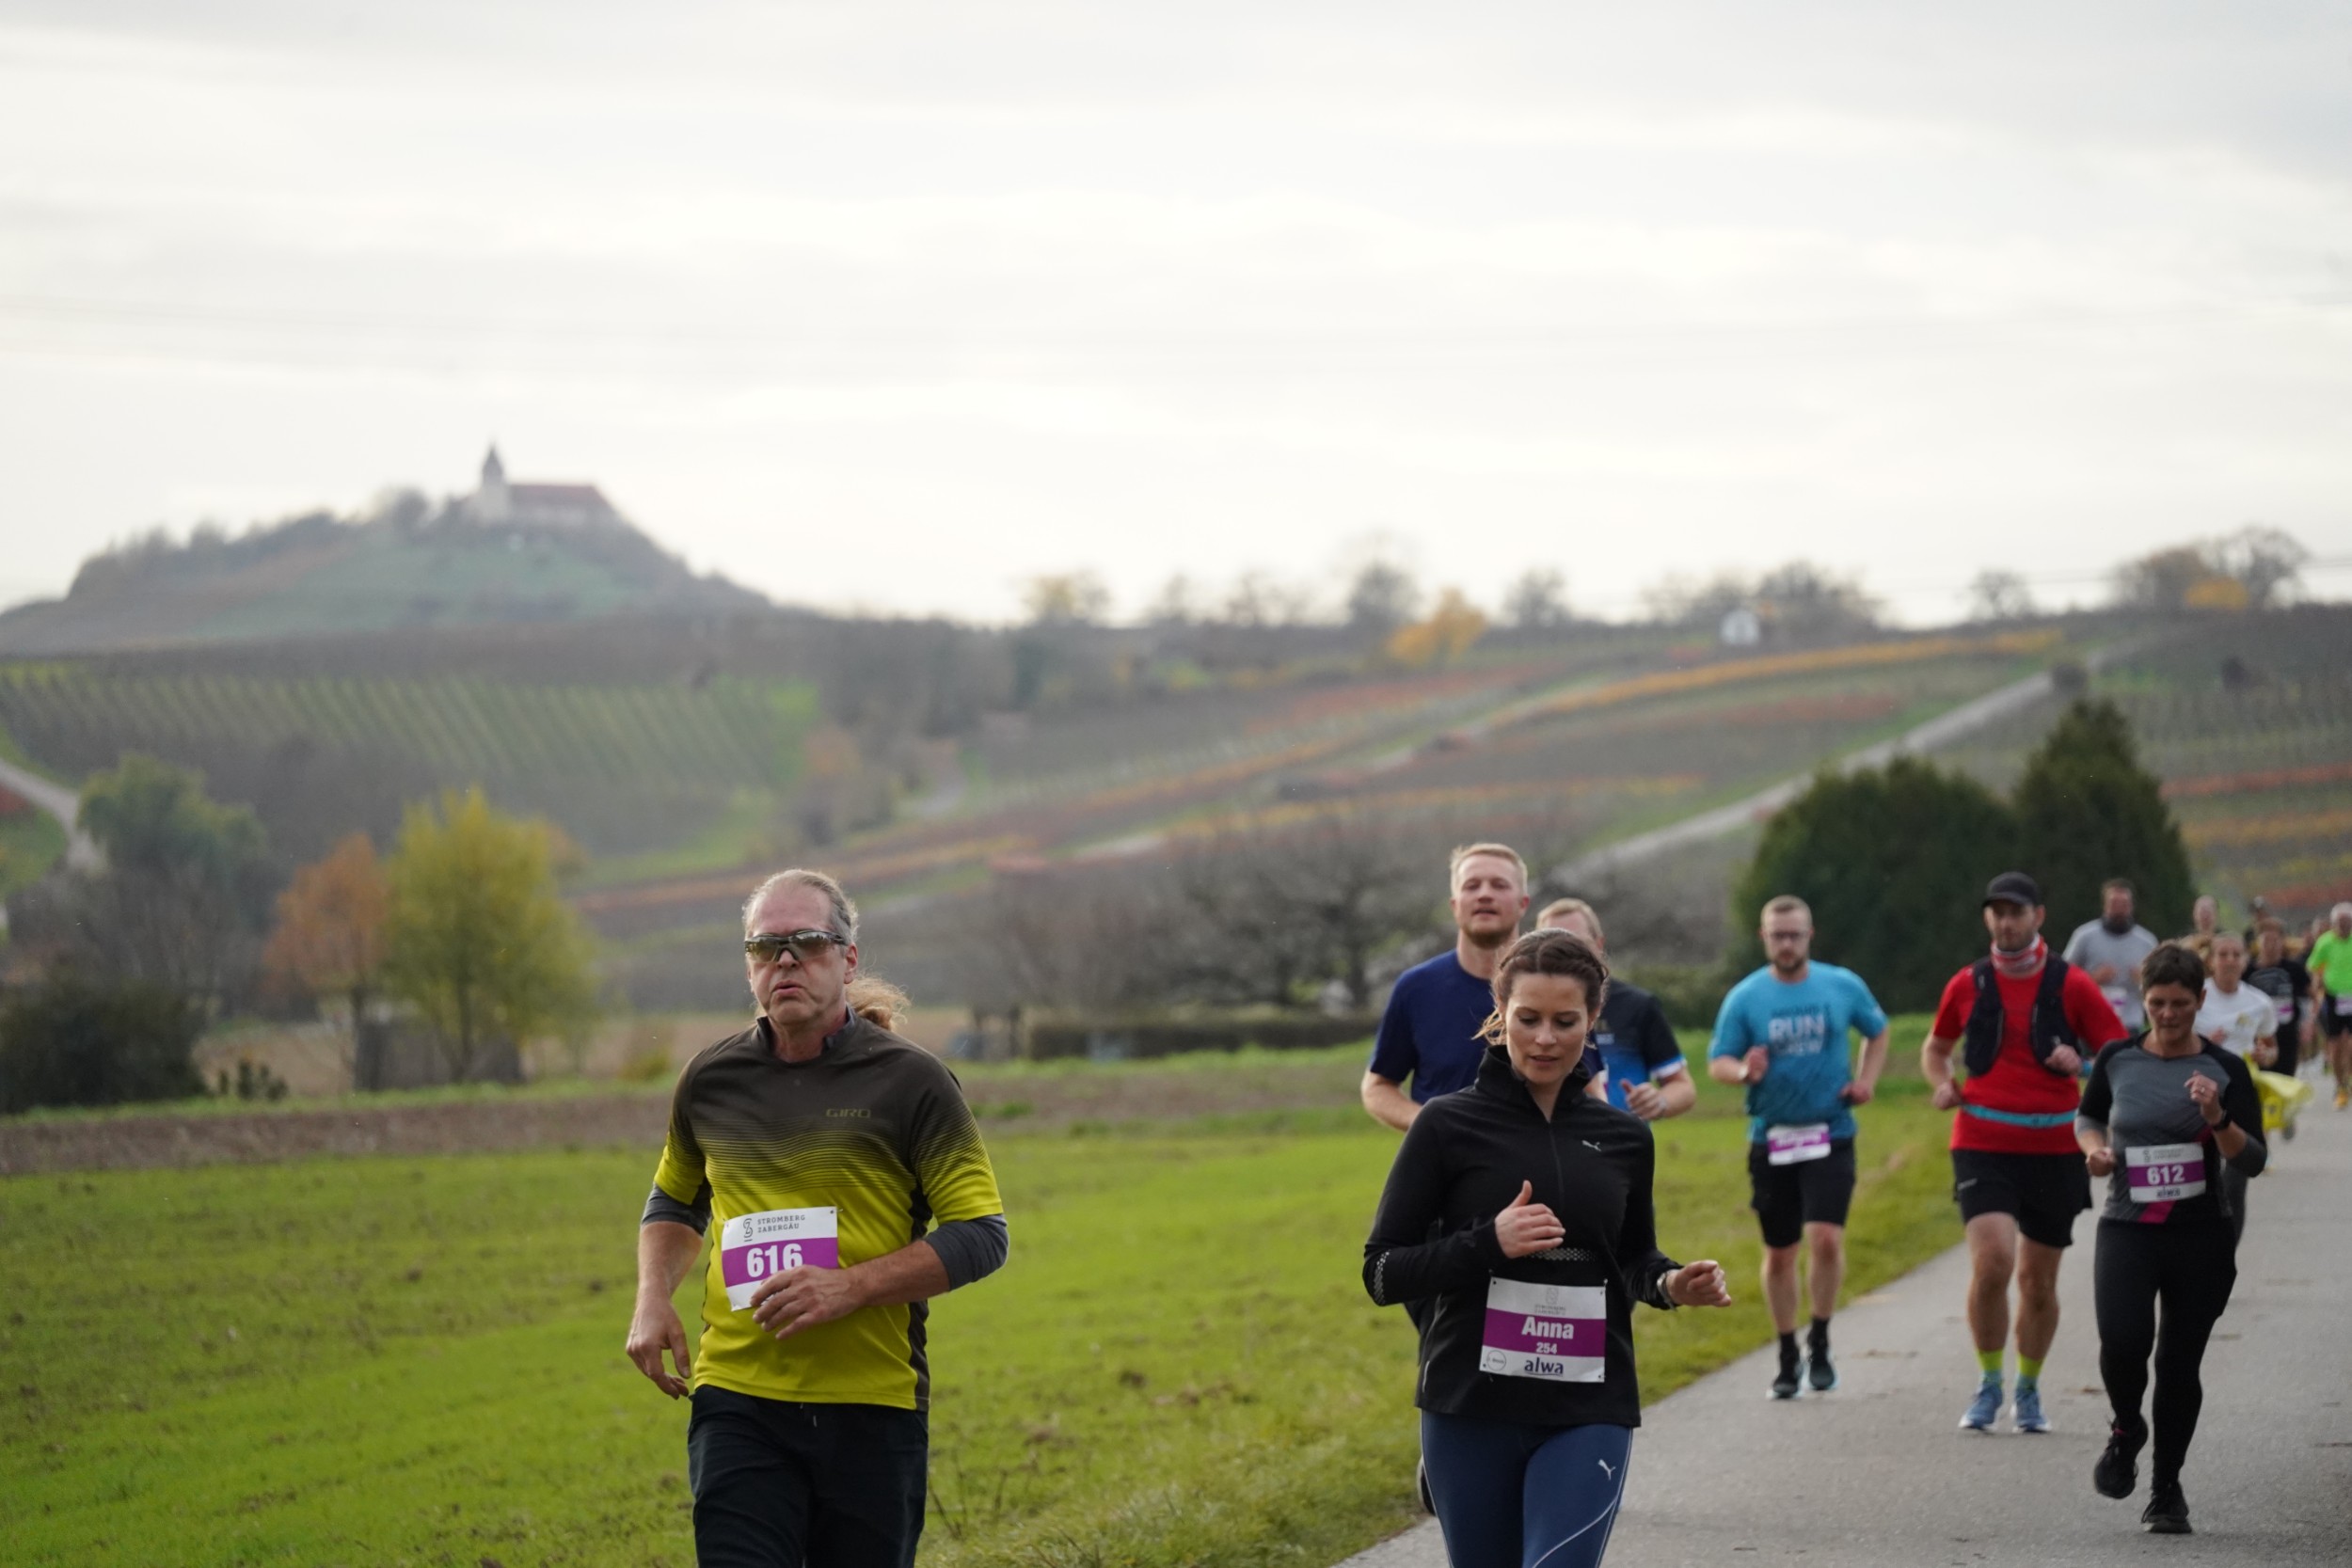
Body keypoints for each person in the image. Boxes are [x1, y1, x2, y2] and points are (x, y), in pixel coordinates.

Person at [626, 869, 1009, 1568]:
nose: (785, 960)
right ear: (748, 965)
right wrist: (652, 1297)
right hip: (737, 1397)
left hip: (871, 1404)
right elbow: (676, 1200)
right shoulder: (710, 1080)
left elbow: (981, 1234)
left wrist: (848, 1286)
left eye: (806, 941)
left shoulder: (912, 1082)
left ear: (848, 958)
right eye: (764, 946)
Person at [1362, 928, 1733, 1568]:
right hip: (1471, 1405)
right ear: (1499, 1012)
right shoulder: (1446, 1125)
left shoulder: (1624, 1137)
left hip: (1587, 1406)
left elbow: (1633, 1258)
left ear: (1593, 1018)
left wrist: (1672, 1284)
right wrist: (1488, 1242)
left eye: (1566, 1022)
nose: (1544, 1039)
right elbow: (1382, 1272)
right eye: (1527, 1018)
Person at [1920, 871, 2125, 1434]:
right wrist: (1942, 1082)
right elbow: (1936, 1049)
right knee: (1993, 1264)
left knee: (2037, 1283)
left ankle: (2028, 1390)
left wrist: (2082, 1063)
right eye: (1998, 912)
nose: (2006, 922)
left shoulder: (2071, 984)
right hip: (1982, 1142)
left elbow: (2117, 1054)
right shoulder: (1967, 983)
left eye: (2017, 912)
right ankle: (1989, 1382)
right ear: (1988, 918)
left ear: (2039, 916)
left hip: (2055, 1146)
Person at [2078, 942, 2266, 1535]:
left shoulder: (2225, 1069)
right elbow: (2088, 1117)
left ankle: (2166, 1488)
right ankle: (2126, 1426)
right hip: (2128, 1227)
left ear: (2201, 1000)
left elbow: (2253, 1158)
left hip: (2200, 1234)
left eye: (2180, 1003)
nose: (2168, 1014)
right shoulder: (2117, 1059)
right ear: (2144, 1000)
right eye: (2157, 1003)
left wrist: (2217, 1119)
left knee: (2179, 1364)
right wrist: (2095, 1151)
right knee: (2122, 1342)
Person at [1706, 895, 1890, 1399]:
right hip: (1773, 1139)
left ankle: (1821, 1340)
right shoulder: (1746, 997)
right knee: (1781, 1252)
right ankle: (1787, 1352)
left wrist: (1865, 1081)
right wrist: (1744, 1072)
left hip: (1831, 1131)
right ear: (1764, 938)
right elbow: (1718, 1061)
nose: (1787, 944)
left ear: (1810, 935)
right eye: (1777, 935)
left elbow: (1878, 1032)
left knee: (1826, 1238)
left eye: (1795, 934)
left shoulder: (1841, 985)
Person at [1363, 843, 1532, 1131]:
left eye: (1499, 885)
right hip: (1441, 1159)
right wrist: (1433, 1126)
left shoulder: (1555, 987)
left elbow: (1587, 1089)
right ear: (1455, 905)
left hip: (1531, 1156)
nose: (1485, 894)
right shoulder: (1416, 988)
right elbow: (1377, 1086)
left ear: (1523, 904)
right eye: (1471, 886)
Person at [1537, 897, 1695, 1121]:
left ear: (1599, 944)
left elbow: (1683, 1087)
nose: (1566, 954)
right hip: (1550, 1139)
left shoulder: (1637, 1005)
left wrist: (1658, 1101)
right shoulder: (1525, 1013)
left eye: (1577, 943)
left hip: (1621, 1140)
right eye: (1554, 945)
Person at [2061, 879, 2160, 1033]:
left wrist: (2144, 981)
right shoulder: (2084, 936)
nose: (2119, 910)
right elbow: (2063, 976)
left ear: (2132, 906)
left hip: (2131, 1022)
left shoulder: (2147, 942)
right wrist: (2092, 979)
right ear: (2104, 905)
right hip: (2091, 1020)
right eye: (2114, 904)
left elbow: (2161, 986)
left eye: (2124, 904)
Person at [2245, 919, 2312, 1079]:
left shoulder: (2294, 969)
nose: (2271, 945)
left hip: (2287, 1033)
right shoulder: (2247, 971)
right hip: (2257, 1035)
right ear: (2258, 942)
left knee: (2286, 1078)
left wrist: (2307, 1023)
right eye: (2266, 940)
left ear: (2282, 942)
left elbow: (2307, 997)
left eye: (2275, 940)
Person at [2311, 902, 2352, 1110]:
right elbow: (2314, 967)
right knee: (2335, 1046)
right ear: (2334, 923)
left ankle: (2349, 1078)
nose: (2344, 925)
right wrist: (2316, 993)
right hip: (2333, 997)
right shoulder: (2325, 942)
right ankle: (2340, 1086)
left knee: (2350, 1045)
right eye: (2340, 921)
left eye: (2347, 921)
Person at [2181, 895, 2220, 968]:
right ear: (2194, 914)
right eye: (2202, 911)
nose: (2205, 916)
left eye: (2208, 911)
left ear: (2216, 914)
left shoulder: (2223, 946)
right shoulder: (2185, 945)